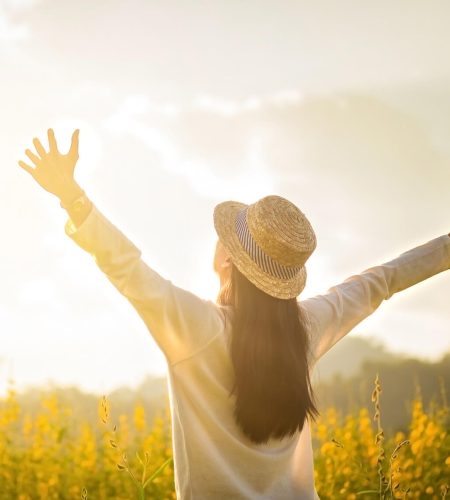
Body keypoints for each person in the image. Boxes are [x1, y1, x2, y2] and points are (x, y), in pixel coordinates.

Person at [18, 129, 450, 499]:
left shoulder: (197, 328)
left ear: (229, 261)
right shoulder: (307, 326)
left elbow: (126, 267)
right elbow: (383, 280)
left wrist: (73, 197)